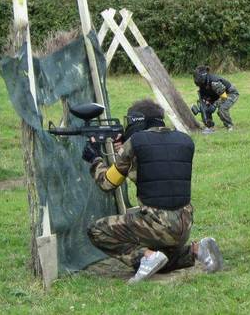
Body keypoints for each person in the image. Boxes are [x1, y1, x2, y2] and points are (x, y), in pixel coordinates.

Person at [82, 98, 224, 283]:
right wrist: (128, 148)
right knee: (161, 257)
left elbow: (107, 183)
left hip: (156, 222)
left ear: (137, 121)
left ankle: (146, 257)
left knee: (97, 230)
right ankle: (196, 250)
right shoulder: (184, 140)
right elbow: (155, 169)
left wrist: (95, 160)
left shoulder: (136, 142)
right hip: (184, 223)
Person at [193, 65, 239, 131]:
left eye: (197, 77)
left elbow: (223, 96)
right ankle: (209, 125)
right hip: (216, 94)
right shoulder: (203, 83)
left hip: (230, 93)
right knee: (205, 108)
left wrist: (214, 105)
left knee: (222, 109)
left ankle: (229, 125)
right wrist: (205, 104)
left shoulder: (214, 82)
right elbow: (204, 96)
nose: (196, 79)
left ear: (203, 76)